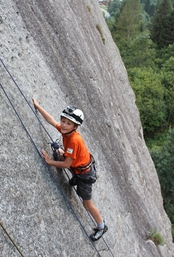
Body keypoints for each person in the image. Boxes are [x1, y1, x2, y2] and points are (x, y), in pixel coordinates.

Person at [32, 98, 108, 241]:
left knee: (87, 204)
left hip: (84, 174)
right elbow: (52, 121)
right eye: (64, 121)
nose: (64, 125)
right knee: (59, 153)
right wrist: (38, 106)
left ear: (75, 126)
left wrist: (49, 162)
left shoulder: (74, 140)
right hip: (77, 166)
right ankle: (69, 171)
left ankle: (102, 226)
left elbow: (67, 164)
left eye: (68, 123)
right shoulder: (68, 132)